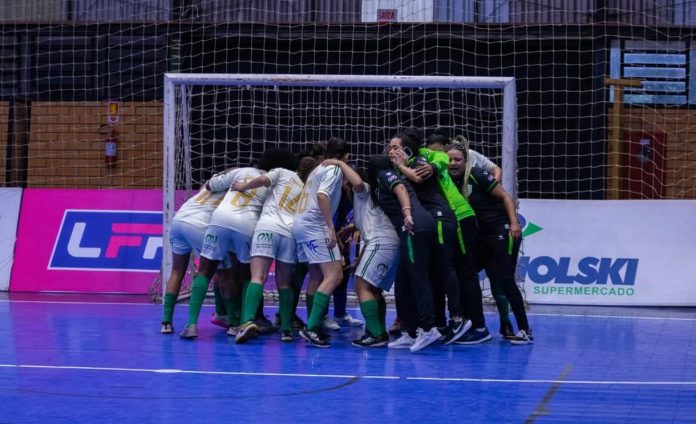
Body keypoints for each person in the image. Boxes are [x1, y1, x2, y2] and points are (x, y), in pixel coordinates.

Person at [396, 129, 490, 344]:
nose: (392, 150)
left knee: (465, 271)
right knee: (442, 270)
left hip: (459, 215)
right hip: (442, 218)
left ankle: (477, 326)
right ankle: (443, 322)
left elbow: (440, 158)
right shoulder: (408, 162)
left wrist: (432, 166)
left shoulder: (426, 156)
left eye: (395, 146)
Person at [179, 152, 279, 339]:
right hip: (246, 224)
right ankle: (244, 323)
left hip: (218, 219)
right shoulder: (275, 182)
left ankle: (191, 324)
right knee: (249, 276)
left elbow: (210, 185)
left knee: (205, 272)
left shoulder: (239, 171)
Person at [448, 145, 533, 344]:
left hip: (502, 231)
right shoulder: (451, 182)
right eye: (450, 160)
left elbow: (505, 197)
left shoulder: (476, 174)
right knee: (465, 274)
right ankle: (474, 325)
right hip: (482, 237)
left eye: (458, 160)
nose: (453, 163)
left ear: (466, 161)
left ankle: (525, 330)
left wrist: (514, 223)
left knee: (505, 280)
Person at [232, 149, 308, 343]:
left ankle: (247, 321)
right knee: (284, 283)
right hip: (289, 233)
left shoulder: (280, 172)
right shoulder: (302, 185)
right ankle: (286, 329)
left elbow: (263, 180)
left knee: (257, 277)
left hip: (268, 227)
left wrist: (243, 186)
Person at [368, 154, 441, 352]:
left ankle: (428, 329)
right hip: (416, 226)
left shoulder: (385, 175)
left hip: (413, 226)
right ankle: (410, 331)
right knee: (403, 283)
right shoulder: (385, 178)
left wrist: (407, 214)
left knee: (418, 278)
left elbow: (400, 189)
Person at [323, 158, 400, 347]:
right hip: (387, 243)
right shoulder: (375, 195)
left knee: (362, 287)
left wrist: (339, 163)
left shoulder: (364, 189)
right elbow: (371, 225)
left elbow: (357, 183)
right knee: (374, 290)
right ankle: (379, 332)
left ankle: (375, 334)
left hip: (382, 242)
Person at [294, 137, 351, 347]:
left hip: (301, 224)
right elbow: (322, 195)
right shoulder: (334, 169)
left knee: (317, 276)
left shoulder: (317, 169)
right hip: (315, 225)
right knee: (335, 275)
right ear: (346, 156)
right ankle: (311, 328)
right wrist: (330, 226)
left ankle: (315, 325)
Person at [160, 177, 236, 334]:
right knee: (223, 271)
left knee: (177, 270)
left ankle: (166, 322)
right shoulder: (237, 189)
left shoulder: (214, 182)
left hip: (179, 220)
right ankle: (232, 324)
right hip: (198, 224)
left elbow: (203, 188)